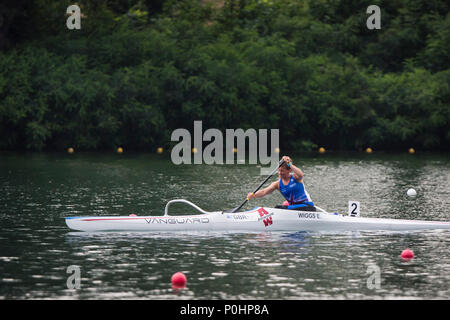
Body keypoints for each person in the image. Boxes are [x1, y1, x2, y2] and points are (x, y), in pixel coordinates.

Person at [246, 156, 315, 210]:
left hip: (307, 206)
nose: (279, 173)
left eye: (282, 171)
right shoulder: (278, 184)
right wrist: (253, 195)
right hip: (294, 207)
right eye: (279, 170)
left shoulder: (295, 178)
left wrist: (289, 164)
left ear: (289, 170)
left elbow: (301, 174)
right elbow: (264, 192)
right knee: (284, 204)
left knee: (279, 208)